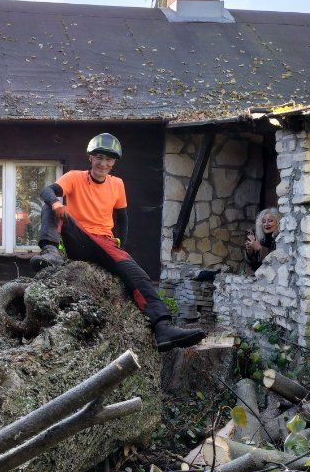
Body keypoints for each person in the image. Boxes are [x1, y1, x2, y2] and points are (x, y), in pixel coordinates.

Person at [34, 133, 205, 352]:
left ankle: (162, 328)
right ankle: (50, 251)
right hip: (78, 238)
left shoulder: (117, 184)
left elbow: (123, 219)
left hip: (104, 242)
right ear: (91, 157)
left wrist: (121, 248)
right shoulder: (74, 177)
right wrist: (57, 204)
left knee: (135, 274)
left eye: (109, 159)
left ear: (114, 162)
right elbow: (47, 191)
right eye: (99, 157)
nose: (103, 164)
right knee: (51, 204)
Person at [245, 207, 280, 272]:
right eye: (263, 222)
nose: (266, 224)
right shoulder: (261, 239)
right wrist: (250, 251)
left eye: (270, 221)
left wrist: (260, 248)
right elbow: (251, 265)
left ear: (278, 222)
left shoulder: (280, 238)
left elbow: (276, 262)